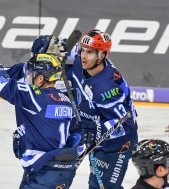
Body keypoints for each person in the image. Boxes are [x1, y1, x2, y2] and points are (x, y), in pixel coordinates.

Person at [0, 31, 84, 189]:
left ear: (39, 77)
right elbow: (77, 129)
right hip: (55, 163)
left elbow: (1, 84)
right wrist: (76, 146)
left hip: (45, 164)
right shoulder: (65, 99)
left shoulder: (35, 93)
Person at [32, 30, 139, 188]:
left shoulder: (107, 89)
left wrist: (95, 131)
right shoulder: (82, 58)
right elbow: (60, 47)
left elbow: (125, 125)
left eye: (90, 52)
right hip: (87, 128)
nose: (83, 55)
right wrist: (47, 45)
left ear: (102, 55)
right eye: (83, 50)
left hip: (116, 145)